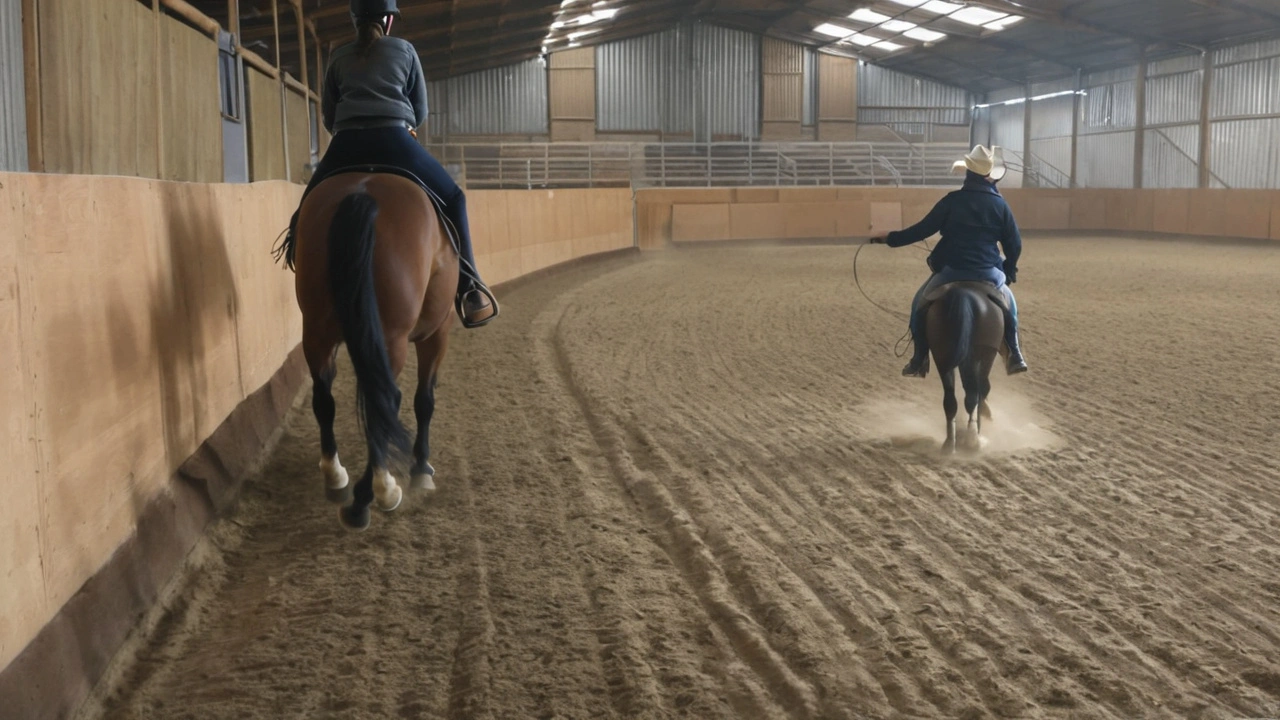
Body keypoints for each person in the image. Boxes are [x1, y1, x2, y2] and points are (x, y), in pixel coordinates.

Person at [275, 0, 497, 328]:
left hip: (346, 145)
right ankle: (470, 284)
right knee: (454, 198)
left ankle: (300, 259)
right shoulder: (405, 50)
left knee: (308, 204)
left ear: (354, 20)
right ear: (389, 21)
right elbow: (419, 110)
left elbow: (328, 116)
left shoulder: (338, 55)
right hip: (396, 142)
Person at [869, 144, 1027, 377]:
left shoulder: (951, 201)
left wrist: (890, 239)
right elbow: (1014, 244)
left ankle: (919, 358)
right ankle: (1014, 353)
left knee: (919, 304)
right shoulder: (1001, 205)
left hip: (952, 271)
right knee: (1010, 305)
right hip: (988, 271)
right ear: (989, 174)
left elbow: (921, 230)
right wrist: (1009, 267)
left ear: (967, 172)